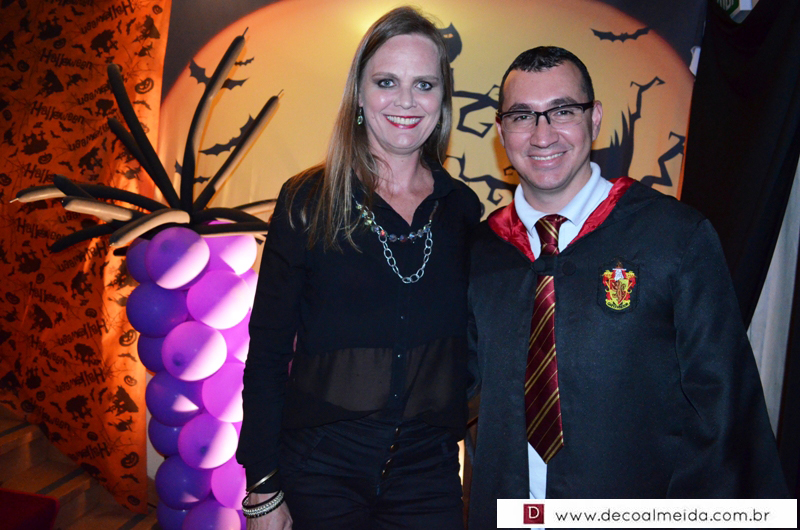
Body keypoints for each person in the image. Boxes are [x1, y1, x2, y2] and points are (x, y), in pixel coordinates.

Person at [467, 46, 787, 529]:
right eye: (522, 116)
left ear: (594, 118)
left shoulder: (674, 239)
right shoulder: (480, 253)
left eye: (563, 111)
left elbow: (723, 407)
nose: (542, 134)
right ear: (500, 130)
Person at [237, 7, 481, 530]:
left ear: (442, 101)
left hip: (428, 476)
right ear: (359, 96)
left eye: (424, 85)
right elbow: (268, 351)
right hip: (319, 473)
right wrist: (262, 487)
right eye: (386, 82)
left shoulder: (462, 210)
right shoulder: (308, 200)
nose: (406, 101)